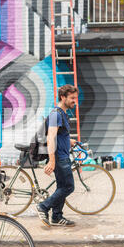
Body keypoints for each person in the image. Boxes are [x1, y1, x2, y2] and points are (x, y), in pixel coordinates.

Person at [36, 84, 78, 227]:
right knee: (68, 187)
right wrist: (52, 161)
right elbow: (51, 137)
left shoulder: (63, 113)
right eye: (72, 98)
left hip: (63, 155)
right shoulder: (56, 114)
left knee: (62, 186)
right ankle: (43, 206)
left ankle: (57, 216)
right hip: (59, 157)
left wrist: (69, 140)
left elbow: (60, 135)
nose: (74, 101)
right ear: (63, 97)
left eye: (75, 98)